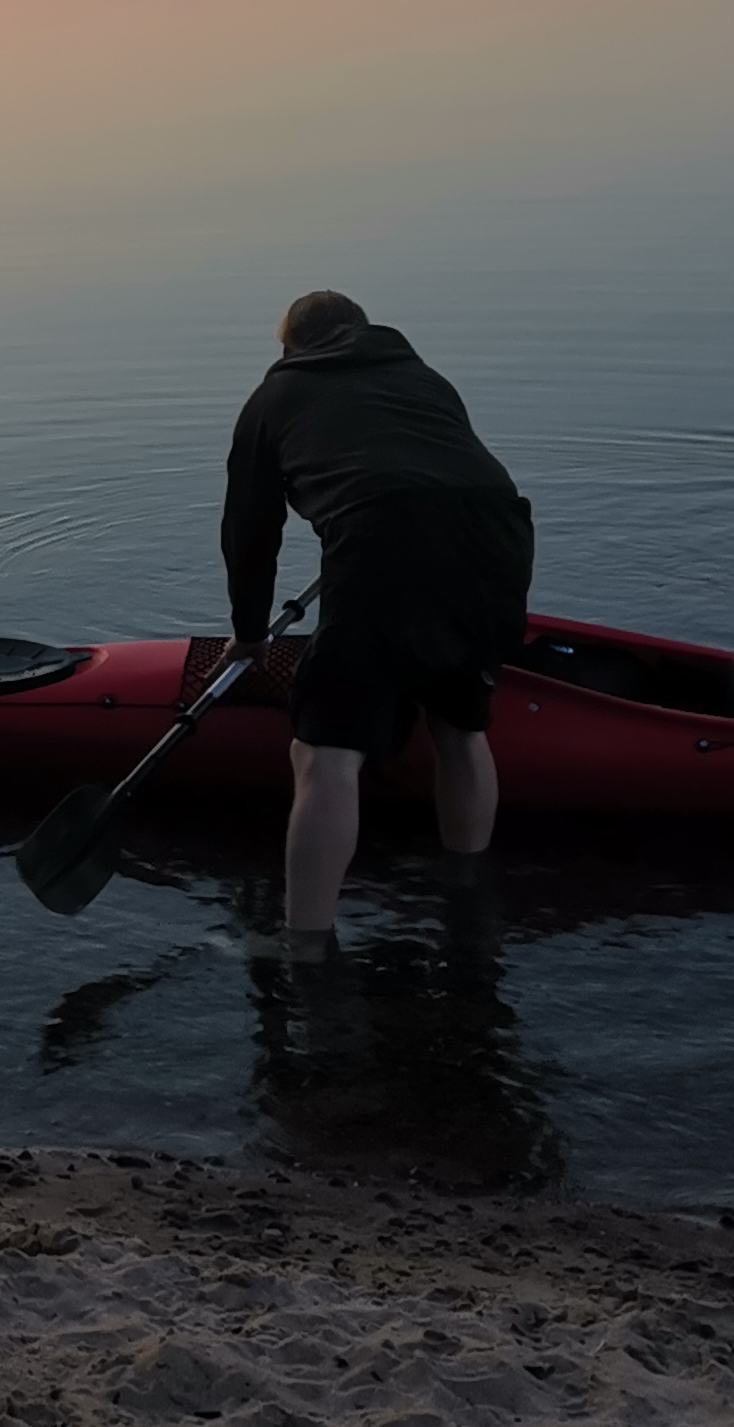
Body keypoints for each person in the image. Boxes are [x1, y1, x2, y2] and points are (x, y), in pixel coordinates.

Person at [221, 292, 532, 942]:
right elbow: (430, 474)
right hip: (498, 537)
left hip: (381, 540)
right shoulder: (421, 377)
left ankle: (305, 948)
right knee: (460, 724)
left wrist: (250, 636)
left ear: (290, 346)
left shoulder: (273, 400)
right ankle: (467, 900)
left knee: (325, 751)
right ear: (361, 332)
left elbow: (250, 535)